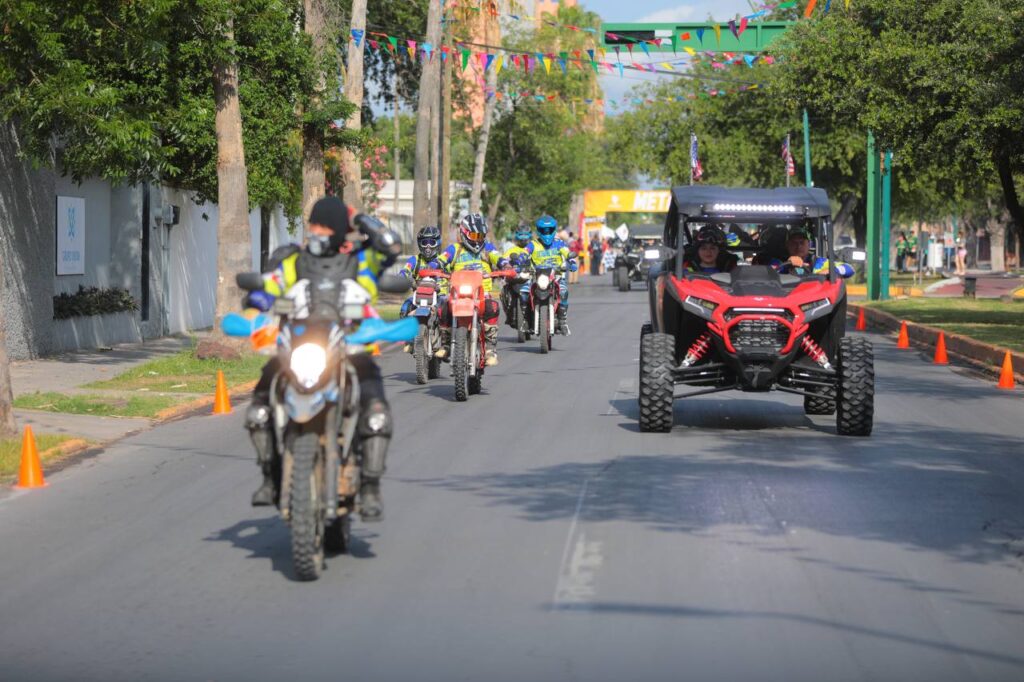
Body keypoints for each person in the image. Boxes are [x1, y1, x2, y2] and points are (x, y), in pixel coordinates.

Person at [245, 196, 401, 520]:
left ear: (341, 230)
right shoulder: (291, 258)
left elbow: (392, 247)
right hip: (298, 350)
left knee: (377, 414)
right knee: (259, 410)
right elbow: (267, 288)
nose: (317, 231)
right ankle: (269, 477)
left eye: (326, 226)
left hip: (351, 350)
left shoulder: (360, 261)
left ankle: (370, 487)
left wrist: (361, 220)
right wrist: (259, 299)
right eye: (314, 224)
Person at [436, 213, 509, 366]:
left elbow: (498, 257)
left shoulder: (487, 249)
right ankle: (446, 344)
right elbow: (441, 259)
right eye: (474, 235)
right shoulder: (454, 249)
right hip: (458, 293)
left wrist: (505, 265)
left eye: (481, 235)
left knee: (493, 306)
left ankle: (490, 349)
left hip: (483, 293)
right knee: (443, 306)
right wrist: (435, 266)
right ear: (464, 233)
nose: (477, 239)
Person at [525, 215, 578, 334]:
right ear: (539, 231)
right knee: (526, 295)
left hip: (557, 277)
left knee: (564, 292)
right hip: (539, 278)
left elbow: (567, 253)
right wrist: (520, 260)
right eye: (544, 230)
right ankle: (526, 321)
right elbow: (525, 253)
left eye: (549, 230)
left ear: (554, 230)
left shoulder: (559, 243)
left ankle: (563, 321)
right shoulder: (533, 244)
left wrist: (572, 262)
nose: (547, 233)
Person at [771, 225, 854, 278]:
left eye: (802, 242)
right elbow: (768, 273)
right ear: (787, 245)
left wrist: (832, 271)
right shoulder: (777, 262)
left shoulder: (818, 263)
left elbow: (849, 268)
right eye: (794, 243)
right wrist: (788, 264)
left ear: (809, 244)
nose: (798, 246)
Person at [501, 225, 533, 326]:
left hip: (530, 278)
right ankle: (509, 313)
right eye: (521, 235)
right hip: (514, 278)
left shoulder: (533, 248)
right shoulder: (511, 250)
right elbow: (502, 260)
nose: (523, 238)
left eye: (525, 235)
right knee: (504, 291)